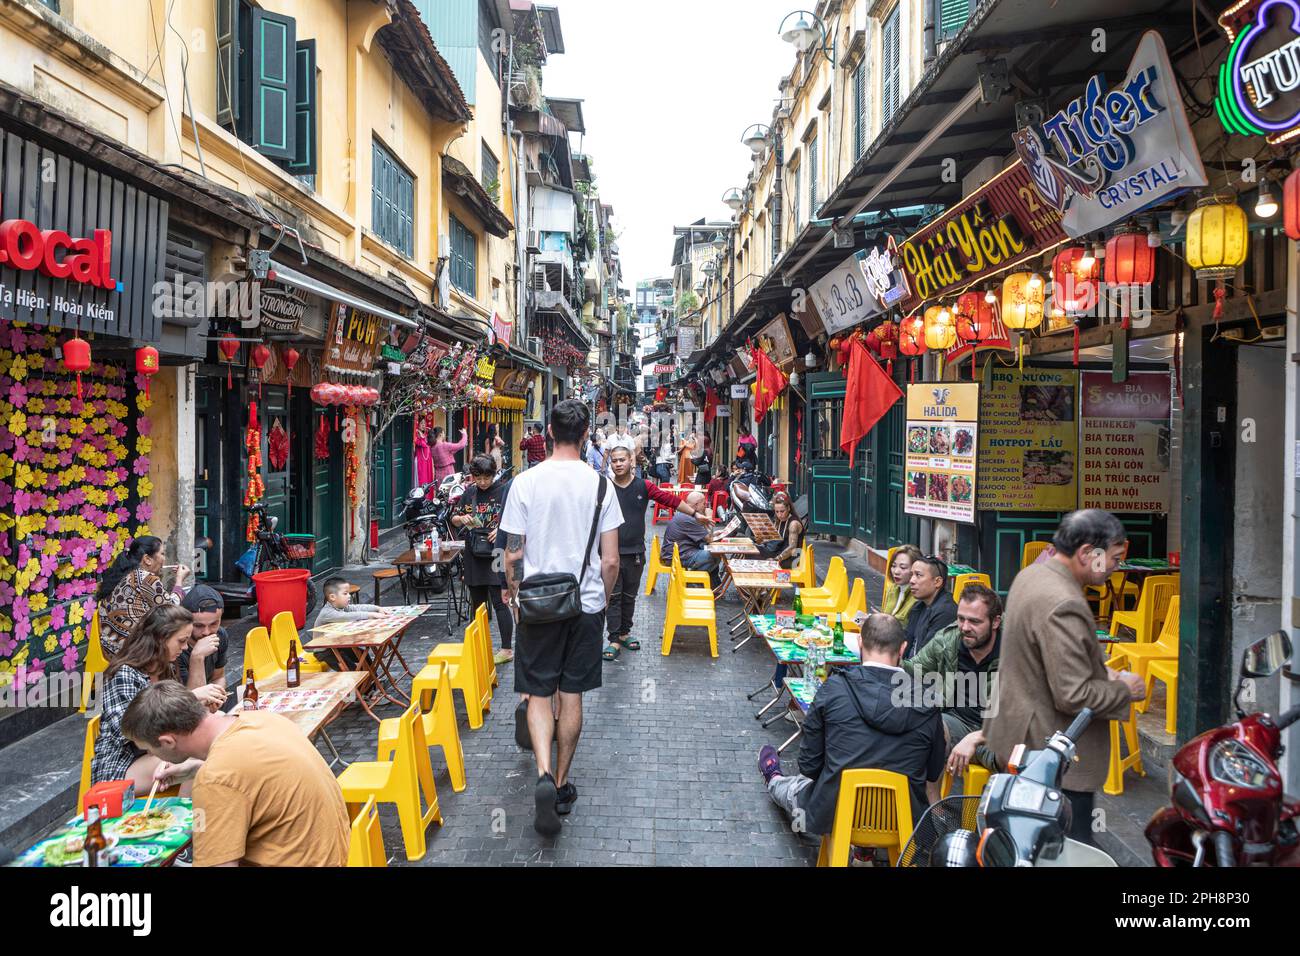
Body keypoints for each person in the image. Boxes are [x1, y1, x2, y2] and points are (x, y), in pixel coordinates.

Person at [985, 509, 1146, 844]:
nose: (1116, 567)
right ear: (1087, 553)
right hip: (1050, 757)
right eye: (1113, 558)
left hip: (1020, 738)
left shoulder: (1032, 575)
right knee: (1063, 849)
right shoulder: (1062, 601)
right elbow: (1073, 695)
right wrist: (1123, 689)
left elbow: (1046, 662)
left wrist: (1101, 672)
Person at [500, 399, 622, 835]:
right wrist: (602, 602)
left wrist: (514, 594)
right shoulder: (602, 487)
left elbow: (513, 553)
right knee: (572, 695)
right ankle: (564, 783)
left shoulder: (525, 483)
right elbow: (611, 562)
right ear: (587, 434)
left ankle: (544, 773)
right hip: (584, 607)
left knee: (537, 692)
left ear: (549, 432)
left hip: (536, 607)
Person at [121, 681, 350, 866]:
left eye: (149, 750)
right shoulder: (261, 719)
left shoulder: (217, 778)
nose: (152, 755)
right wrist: (193, 770)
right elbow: (249, 777)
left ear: (167, 741)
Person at [758, 614, 945, 835]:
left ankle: (774, 777)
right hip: (899, 817)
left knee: (794, 788)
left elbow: (808, 766)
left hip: (835, 811)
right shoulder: (928, 702)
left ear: (859, 643)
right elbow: (932, 772)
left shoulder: (833, 688)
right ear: (903, 649)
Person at [91, 605, 226, 791]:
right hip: (121, 765)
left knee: (209, 737)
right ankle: (189, 816)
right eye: (181, 641)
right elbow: (128, 730)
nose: (185, 647)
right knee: (196, 754)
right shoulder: (124, 674)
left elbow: (179, 720)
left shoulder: (166, 667)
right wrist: (192, 697)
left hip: (160, 750)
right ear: (161, 638)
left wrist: (198, 705)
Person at [602, 445, 709, 662]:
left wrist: (695, 515)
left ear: (631, 461)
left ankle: (624, 633)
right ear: (610, 463)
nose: (618, 464)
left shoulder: (644, 485)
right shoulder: (603, 488)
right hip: (608, 553)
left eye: (622, 460)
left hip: (635, 553)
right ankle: (613, 638)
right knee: (613, 597)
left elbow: (669, 500)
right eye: (614, 461)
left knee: (629, 596)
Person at [903, 583, 1003, 798]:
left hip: (999, 734)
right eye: (961, 618)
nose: (965, 627)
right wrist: (882, 656)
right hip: (955, 723)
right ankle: (934, 810)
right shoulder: (949, 640)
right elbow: (913, 669)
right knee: (929, 727)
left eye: (975, 621)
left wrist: (977, 738)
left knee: (1015, 757)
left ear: (995, 621)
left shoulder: (1014, 653)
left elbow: (1024, 718)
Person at [451, 454, 514, 664]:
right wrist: (462, 518)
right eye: (479, 478)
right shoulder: (469, 493)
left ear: (494, 475)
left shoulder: (505, 490)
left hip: (497, 553)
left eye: (487, 478)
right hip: (474, 553)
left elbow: (517, 518)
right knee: (477, 604)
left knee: (500, 601)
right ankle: (479, 646)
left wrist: (501, 530)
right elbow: (454, 518)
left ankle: (506, 649)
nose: (483, 482)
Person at [96, 535, 190, 655]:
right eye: (162, 554)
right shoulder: (146, 579)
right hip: (126, 651)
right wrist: (179, 580)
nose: (164, 559)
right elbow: (171, 609)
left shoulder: (126, 573)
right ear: (147, 559)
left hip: (108, 646)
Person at [312, 578, 385, 669]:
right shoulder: (327, 613)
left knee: (363, 655)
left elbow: (357, 608)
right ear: (332, 597)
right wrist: (371, 615)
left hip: (338, 644)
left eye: (349, 593)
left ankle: (373, 681)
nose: (349, 596)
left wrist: (376, 608)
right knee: (351, 668)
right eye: (345, 593)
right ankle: (365, 683)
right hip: (324, 651)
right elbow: (350, 616)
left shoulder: (342, 606)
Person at [904, 555, 958, 660]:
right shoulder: (919, 606)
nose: (911, 580)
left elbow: (928, 658)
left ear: (937, 582)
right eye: (912, 575)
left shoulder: (946, 612)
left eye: (918, 575)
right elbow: (907, 639)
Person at [177, 585, 228, 693]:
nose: (206, 632)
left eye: (214, 624)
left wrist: (217, 696)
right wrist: (197, 657)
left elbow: (218, 677)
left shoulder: (220, 635)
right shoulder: (176, 649)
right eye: (198, 626)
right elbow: (191, 701)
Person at [661, 491, 719, 581]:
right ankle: (692, 582)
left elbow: (703, 535)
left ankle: (714, 585)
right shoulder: (689, 518)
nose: (705, 506)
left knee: (708, 549)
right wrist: (709, 517)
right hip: (675, 557)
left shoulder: (686, 514)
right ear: (696, 505)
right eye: (704, 504)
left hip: (678, 552)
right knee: (714, 556)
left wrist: (717, 534)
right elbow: (709, 539)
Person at [767, 491, 805, 570]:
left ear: (788, 508)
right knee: (754, 553)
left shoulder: (793, 524)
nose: (779, 515)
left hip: (792, 559)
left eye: (782, 511)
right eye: (777, 512)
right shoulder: (779, 520)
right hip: (780, 553)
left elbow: (792, 547)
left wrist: (777, 559)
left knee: (763, 561)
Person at [883, 545, 922, 622]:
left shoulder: (919, 596)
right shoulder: (892, 589)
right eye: (893, 566)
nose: (896, 571)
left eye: (903, 567)